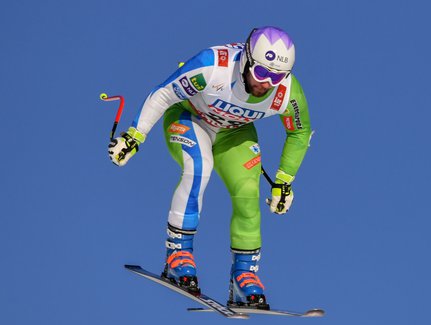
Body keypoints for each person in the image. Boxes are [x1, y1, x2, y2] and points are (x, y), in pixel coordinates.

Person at [108, 26, 313, 310]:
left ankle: (244, 276)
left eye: (276, 77)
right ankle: (177, 257)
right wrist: (135, 136)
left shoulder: (287, 92)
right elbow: (164, 93)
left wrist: (284, 181)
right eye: (261, 73)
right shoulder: (212, 66)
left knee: (247, 192)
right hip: (189, 116)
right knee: (199, 168)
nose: (266, 83)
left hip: (234, 133)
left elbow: (300, 132)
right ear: (247, 60)